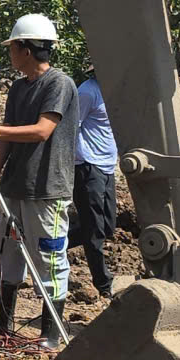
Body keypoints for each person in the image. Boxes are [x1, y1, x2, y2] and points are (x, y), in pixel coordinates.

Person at [0, 13, 75, 343]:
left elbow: (43, 131)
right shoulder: (18, 88)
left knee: (49, 258)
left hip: (46, 188)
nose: (10, 54)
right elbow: (7, 140)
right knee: (7, 254)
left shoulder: (59, 84)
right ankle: (1, 326)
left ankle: (50, 333)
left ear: (26, 49)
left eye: (12, 48)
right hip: (13, 187)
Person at [68, 66, 120, 295]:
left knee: (106, 226)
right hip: (88, 166)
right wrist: (75, 160)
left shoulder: (113, 92)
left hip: (107, 166)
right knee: (94, 229)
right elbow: (70, 126)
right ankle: (103, 283)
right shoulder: (88, 92)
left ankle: (46, 246)